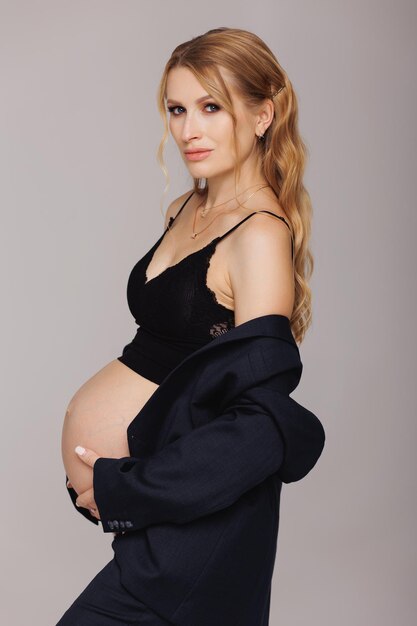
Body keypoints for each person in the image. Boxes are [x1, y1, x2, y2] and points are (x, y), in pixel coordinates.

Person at [57, 27, 324, 625]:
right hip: (164, 531)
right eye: (177, 109)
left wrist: (127, 489)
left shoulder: (258, 235)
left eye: (211, 108)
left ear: (262, 115)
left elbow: (259, 426)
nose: (187, 130)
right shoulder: (189, 208)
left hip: (196, 545)